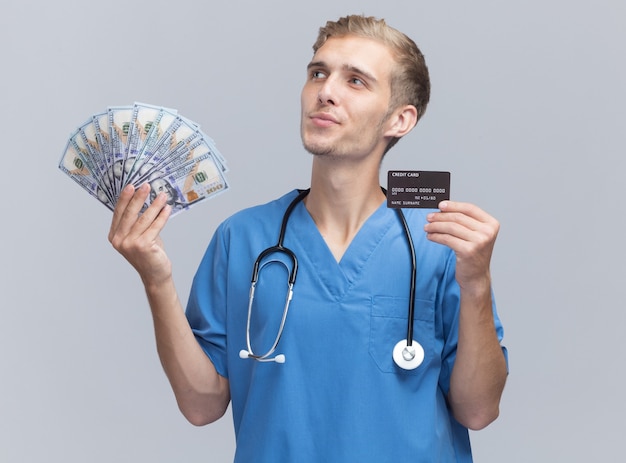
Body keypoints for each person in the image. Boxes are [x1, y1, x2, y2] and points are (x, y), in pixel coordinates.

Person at [109, 14, 508, 462]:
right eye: (318, 73)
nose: (326, 91)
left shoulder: (441, 244)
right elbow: (202, 405)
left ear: (400, 119)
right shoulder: (242, 239)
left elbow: (477, 410)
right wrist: (156, 280)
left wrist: (477, 285)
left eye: (355, 81)